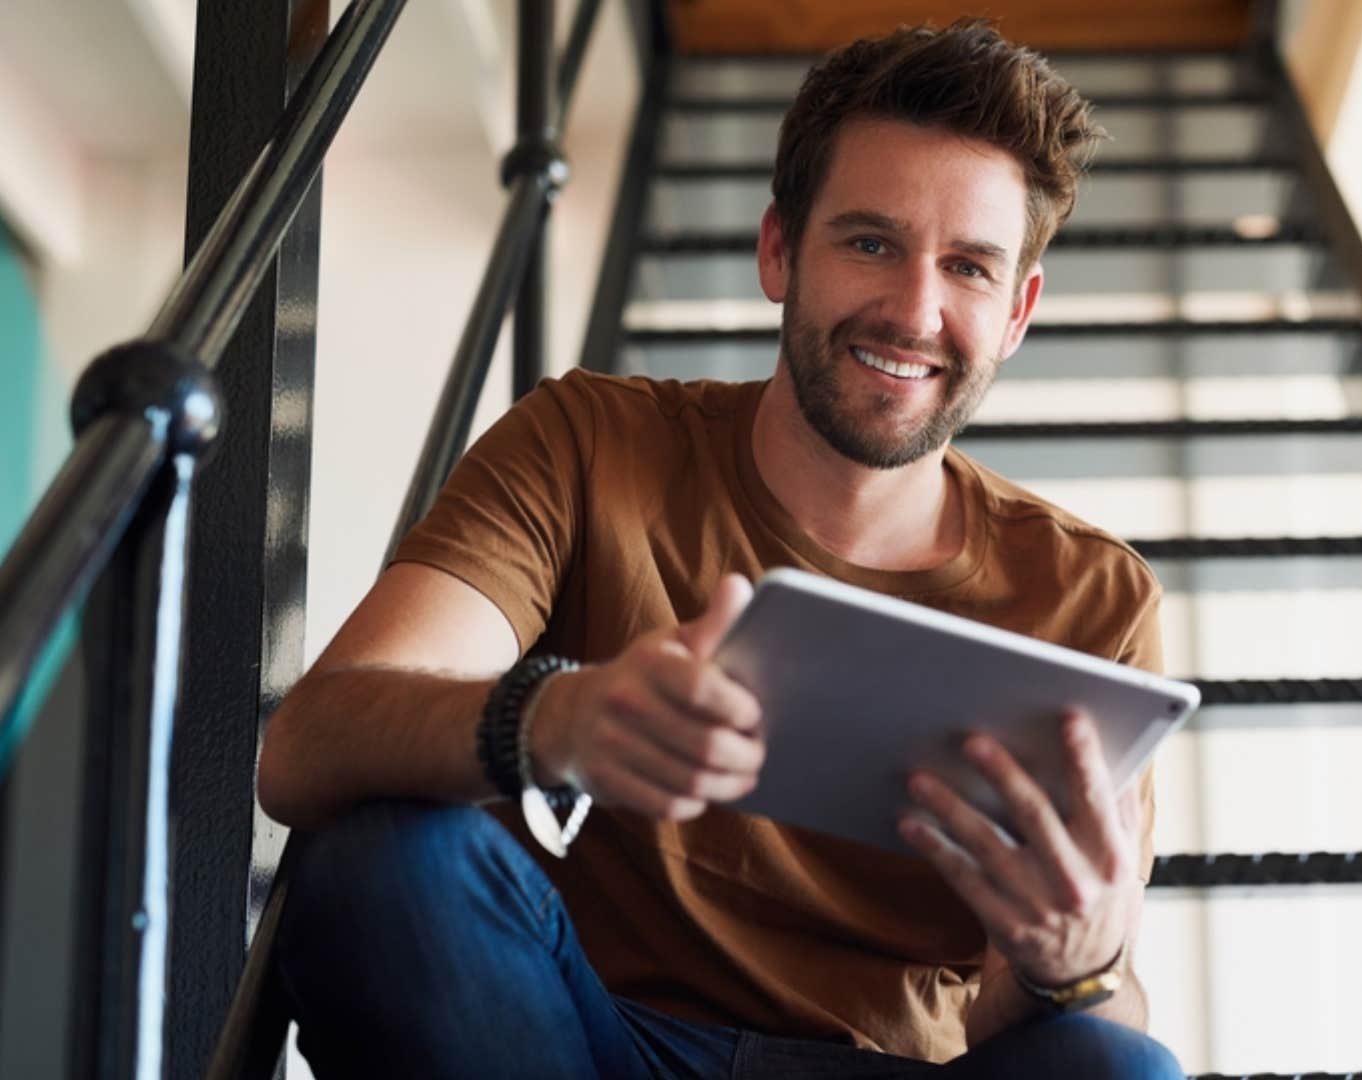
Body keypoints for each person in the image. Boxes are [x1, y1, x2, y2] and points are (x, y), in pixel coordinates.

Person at [259, 18, 1185, 1080]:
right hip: (575, 1036)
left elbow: (1038, 1024)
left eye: (969, 267)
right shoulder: (588, 442)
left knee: (1123, 1067)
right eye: (870, 242)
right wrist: (551, 719)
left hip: (882, 1066)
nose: (915, 310)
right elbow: (307, 747)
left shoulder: (1091, 597)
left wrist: (1075, 963)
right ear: (779, 250)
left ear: (1017, 312)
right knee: (387, 857)